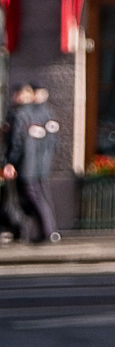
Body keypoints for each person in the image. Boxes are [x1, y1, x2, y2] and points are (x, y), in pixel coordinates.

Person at [2, 81, 61, 245]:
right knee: (36, 196)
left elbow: (16, 141)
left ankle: (40, 230)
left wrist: (9, 162)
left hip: (27, 165)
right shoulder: (39, 113)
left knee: (31, 197)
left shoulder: (19, 114)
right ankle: (42, 230)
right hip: (37, 163)